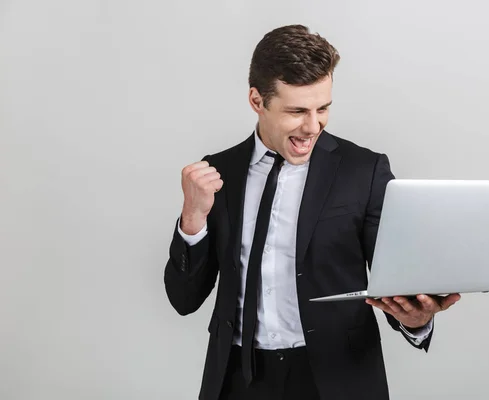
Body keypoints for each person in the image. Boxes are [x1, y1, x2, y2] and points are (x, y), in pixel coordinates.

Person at [164, 24, 461, 400]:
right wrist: (192, 219)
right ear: (257, 101)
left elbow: (397, 276)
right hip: (238, 380)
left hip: (336, 380)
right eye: (297, 111)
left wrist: (417, 320)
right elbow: (183, 299)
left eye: (323, 108)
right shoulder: (219, 173)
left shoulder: (363, 171)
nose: (313, 126)